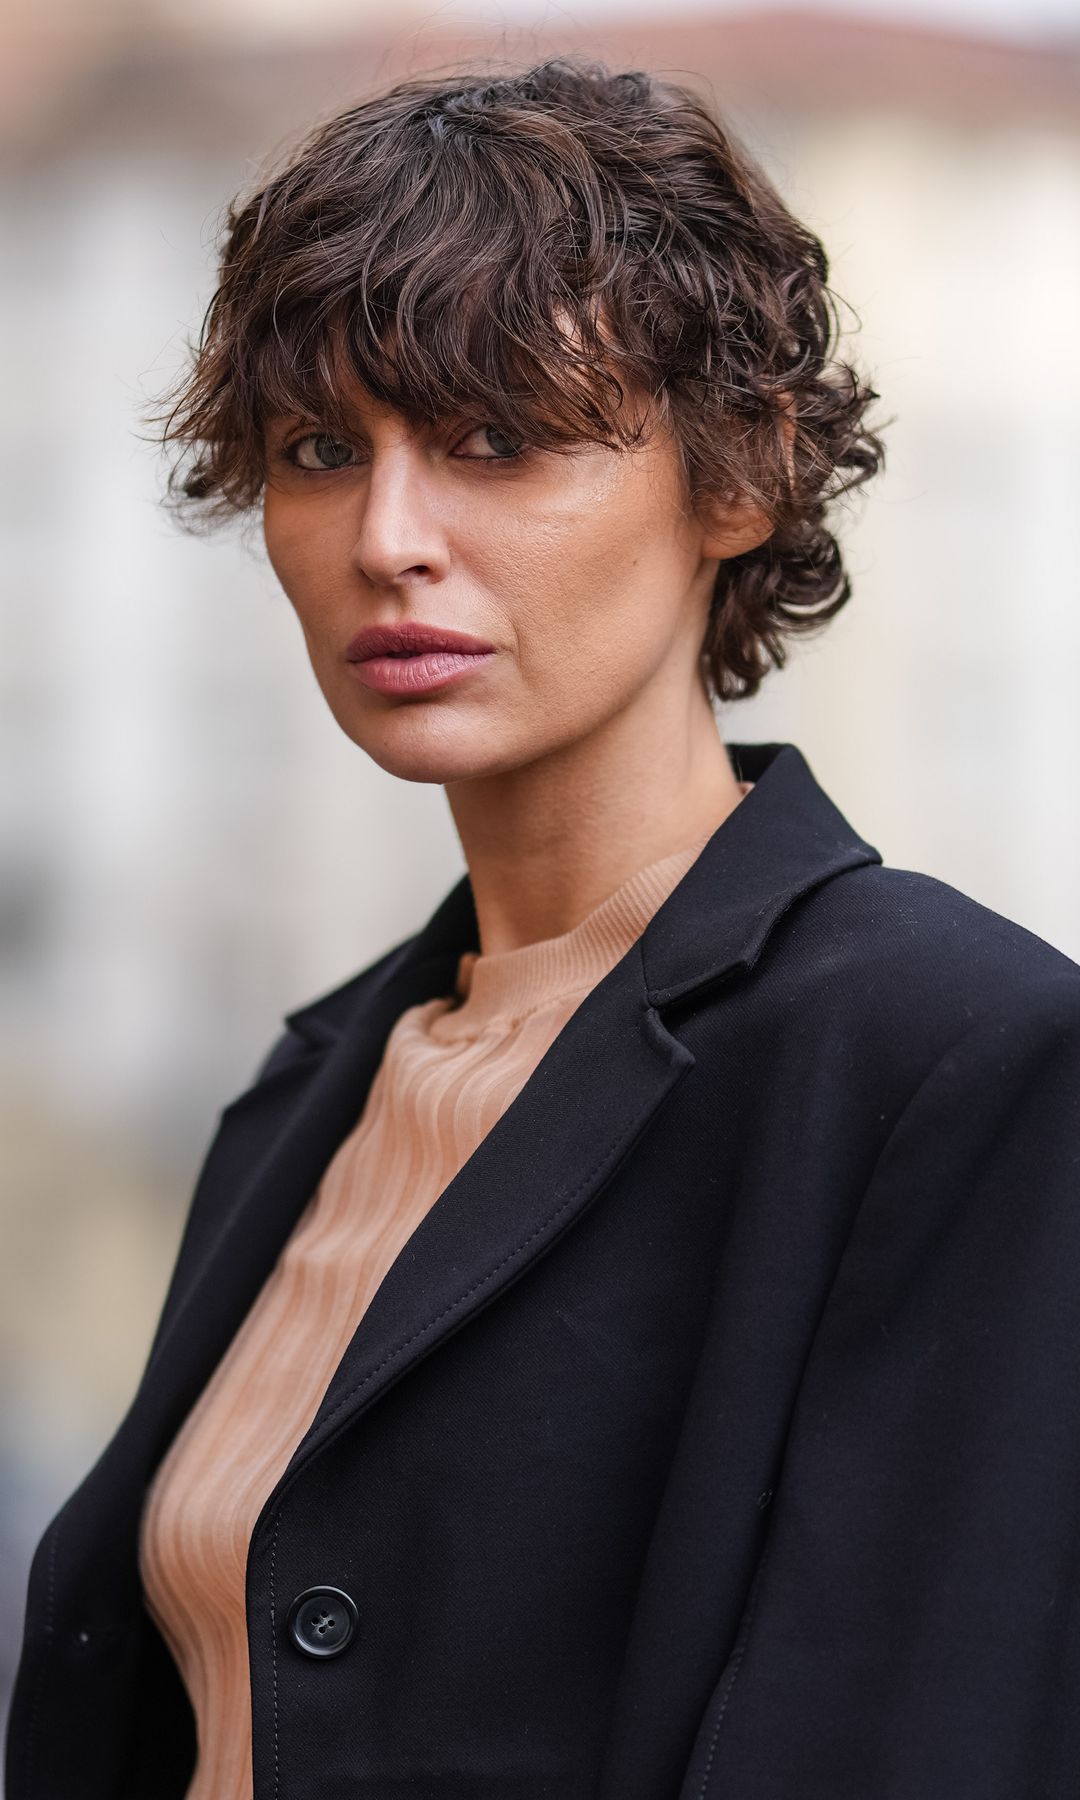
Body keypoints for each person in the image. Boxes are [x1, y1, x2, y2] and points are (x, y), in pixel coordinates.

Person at [7, 54, 1080, 1800]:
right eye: (318, 449)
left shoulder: (954, 1063)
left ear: (737, 479)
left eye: (498, 439)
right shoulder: (313, 1093)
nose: (389, 536)